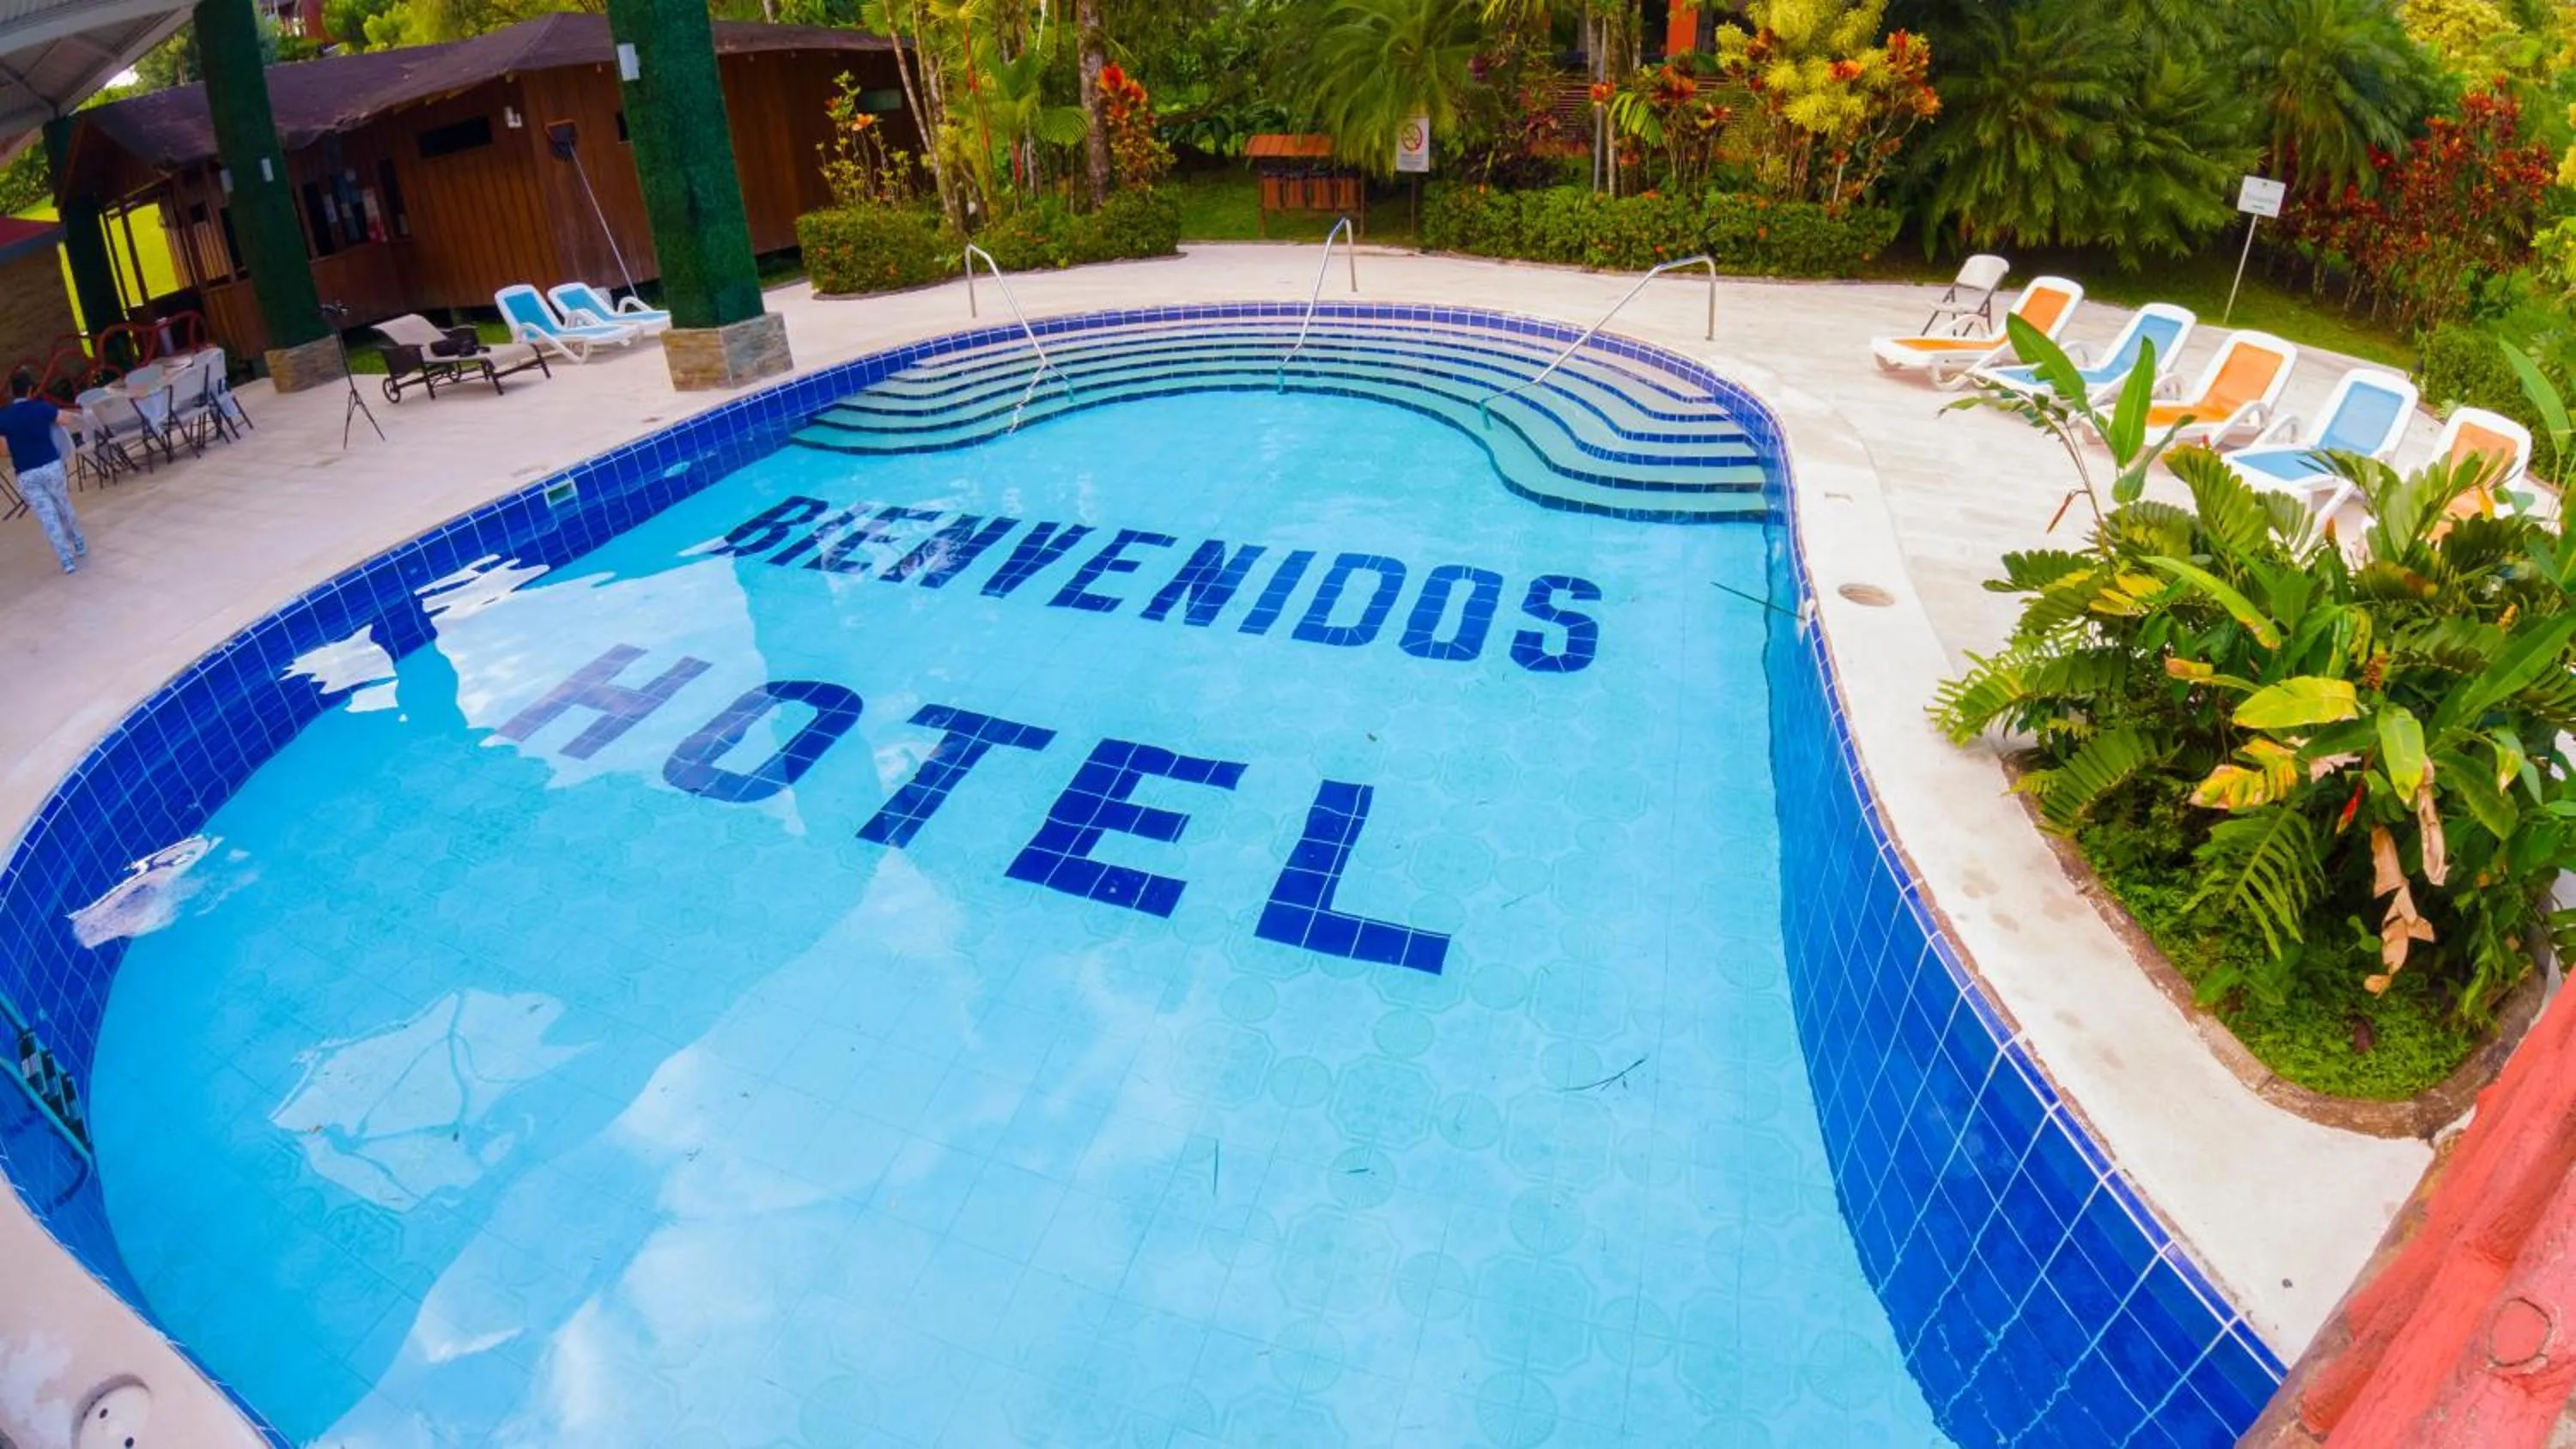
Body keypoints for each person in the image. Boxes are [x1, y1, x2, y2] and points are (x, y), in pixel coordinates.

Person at [2, 369, 84, 573]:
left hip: (26, 473)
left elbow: (3, 451)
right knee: (62, 504)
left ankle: (66, 560)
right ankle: (79, 542)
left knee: (48, 517)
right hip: (50, 465)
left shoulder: (4, 417)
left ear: (13, 392)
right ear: (31, 389)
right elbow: (65, 420)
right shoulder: (40, 408)